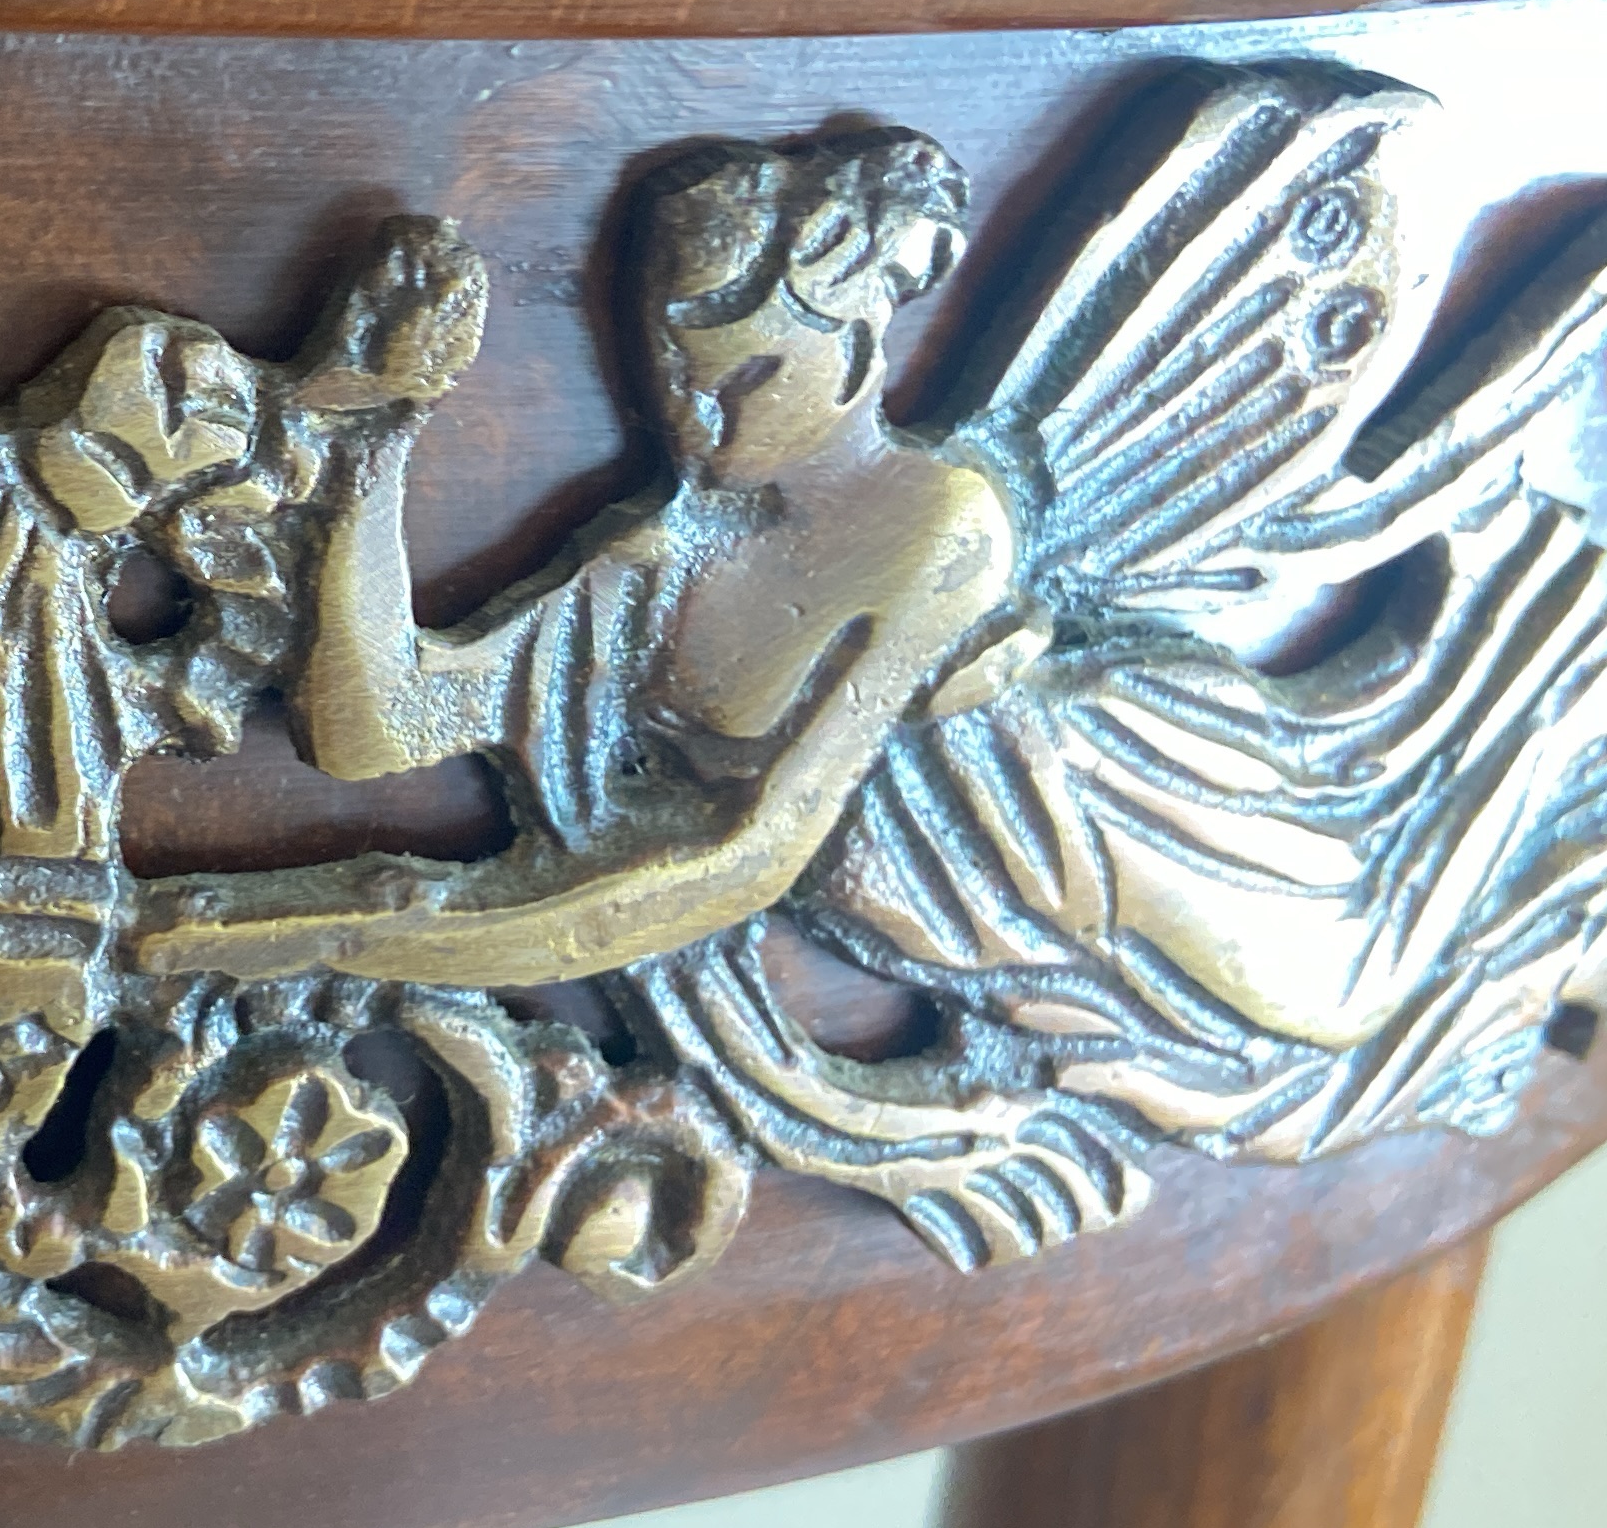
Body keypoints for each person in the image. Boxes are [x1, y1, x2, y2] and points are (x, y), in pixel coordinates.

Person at [137, 129, 1033, 989]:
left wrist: (326, 933)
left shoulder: (940, 526)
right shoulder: (663, 559)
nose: (698, 427)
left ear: (860, 349)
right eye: (675, 383)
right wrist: (384, 430)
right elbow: (373, 729)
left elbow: (748, 862)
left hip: (952, 948)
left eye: (745, 379)